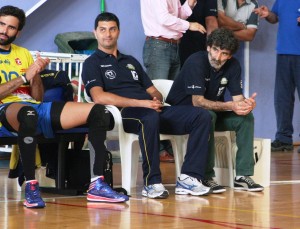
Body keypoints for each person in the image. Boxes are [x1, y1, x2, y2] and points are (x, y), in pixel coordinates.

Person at [0, 5, 128, 208]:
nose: (4, 31)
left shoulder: (23, 53)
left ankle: (96, 184)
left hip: (33, 107)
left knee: (97, 111)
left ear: (18, 32)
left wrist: (36, 75)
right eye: (2, 24)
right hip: (6, 110)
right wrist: (23, 76)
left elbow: (38, 97)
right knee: (28, 113)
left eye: (11, 28)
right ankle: (32, 188)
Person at [82, 12, 212, 199]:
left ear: (118, 31)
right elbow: (99, 97)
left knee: (201, 116)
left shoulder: (131, 61)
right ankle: (152, 183)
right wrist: (142, 104)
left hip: (151, 110)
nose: (108, 34)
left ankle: (189, 176)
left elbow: (152, 90)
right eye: (102, 30)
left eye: (112, 29)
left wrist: (156, 100)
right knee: (148, 118)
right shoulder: (92, 63)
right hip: (123, 114)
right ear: (95, 33)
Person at [166, 28, 264, 193]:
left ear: (230, 55)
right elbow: (197, 102)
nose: (217, 57)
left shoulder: (233, 65)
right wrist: (230, 106)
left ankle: (242, 176)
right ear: (208, 47)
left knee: (246, 118)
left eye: (224, 53)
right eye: (215, 50)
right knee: (207, 115)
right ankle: (206, 176)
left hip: (209, 113)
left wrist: (245, 105)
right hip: (182, 114)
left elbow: (237, 99)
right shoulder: (196, 61)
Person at [140, 0, 207, 162]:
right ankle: (158, 149)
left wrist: (189, 5)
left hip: (172, 46)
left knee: (173, 98)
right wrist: (190, 25)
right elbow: (164, 18)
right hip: (159, 45)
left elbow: (176, 16)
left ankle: (168, 146)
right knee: (157, 97)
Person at [254, 2, 300, 152]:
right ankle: (283, 138)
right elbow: (275, 17)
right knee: (282, 98)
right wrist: (268, 15)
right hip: (283, 52)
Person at [179, 0, 218, 66]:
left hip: (198, 44)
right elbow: (165, 18)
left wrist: (214, 46)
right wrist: (188, 25)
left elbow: (211, 21)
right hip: (170, 42)